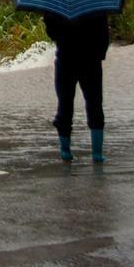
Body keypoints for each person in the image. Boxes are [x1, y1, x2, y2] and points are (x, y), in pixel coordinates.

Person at [42, 10, 110, 162]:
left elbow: (52, 33)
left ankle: (65, 151)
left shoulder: (56, 6)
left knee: (65, 104)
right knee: (95, 103)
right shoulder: (94, 3)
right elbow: (104, 33)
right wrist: (100, 54)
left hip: (65, 60)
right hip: (91, 61)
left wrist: (49, 21)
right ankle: (97, 154)